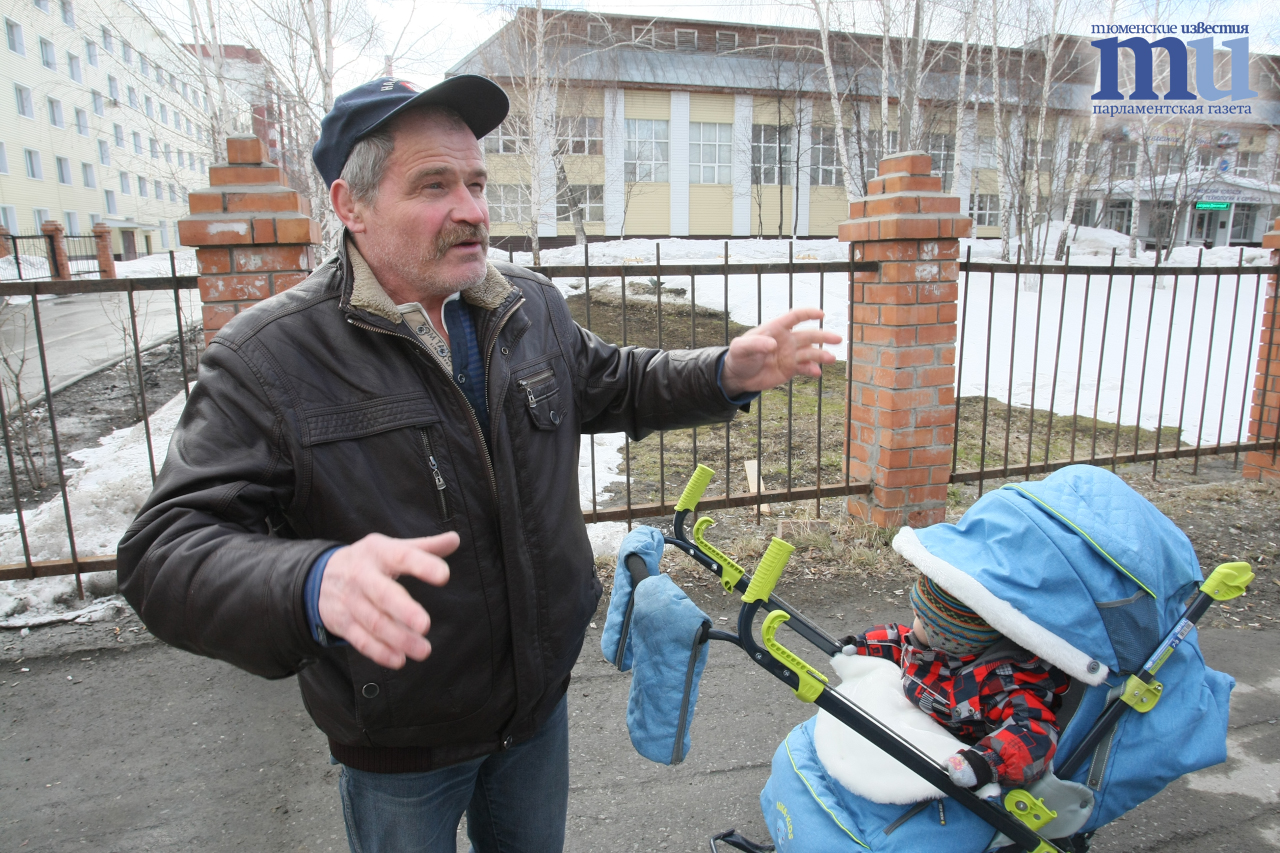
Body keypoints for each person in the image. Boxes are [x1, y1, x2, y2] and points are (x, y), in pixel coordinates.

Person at [116, 74, 841, 853]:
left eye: (475, 182)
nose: (472, 208)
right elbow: (164, 551)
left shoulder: (524, 307)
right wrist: (313, 581)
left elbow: (613, 381)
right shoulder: (270, 358)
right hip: (401, 741)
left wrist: (724, 371)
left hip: (536, 711)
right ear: (349, 206)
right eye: (434, 185)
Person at [839, 574, 1071, 789]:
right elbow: (899, 642)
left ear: (944, 638)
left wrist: (985, 762)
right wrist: (861, 644)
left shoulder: (998, 685)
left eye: (920, 617)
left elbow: (1034, 733)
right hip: (918, 727)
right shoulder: (927, 647)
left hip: (957, 750)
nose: (913, 621)